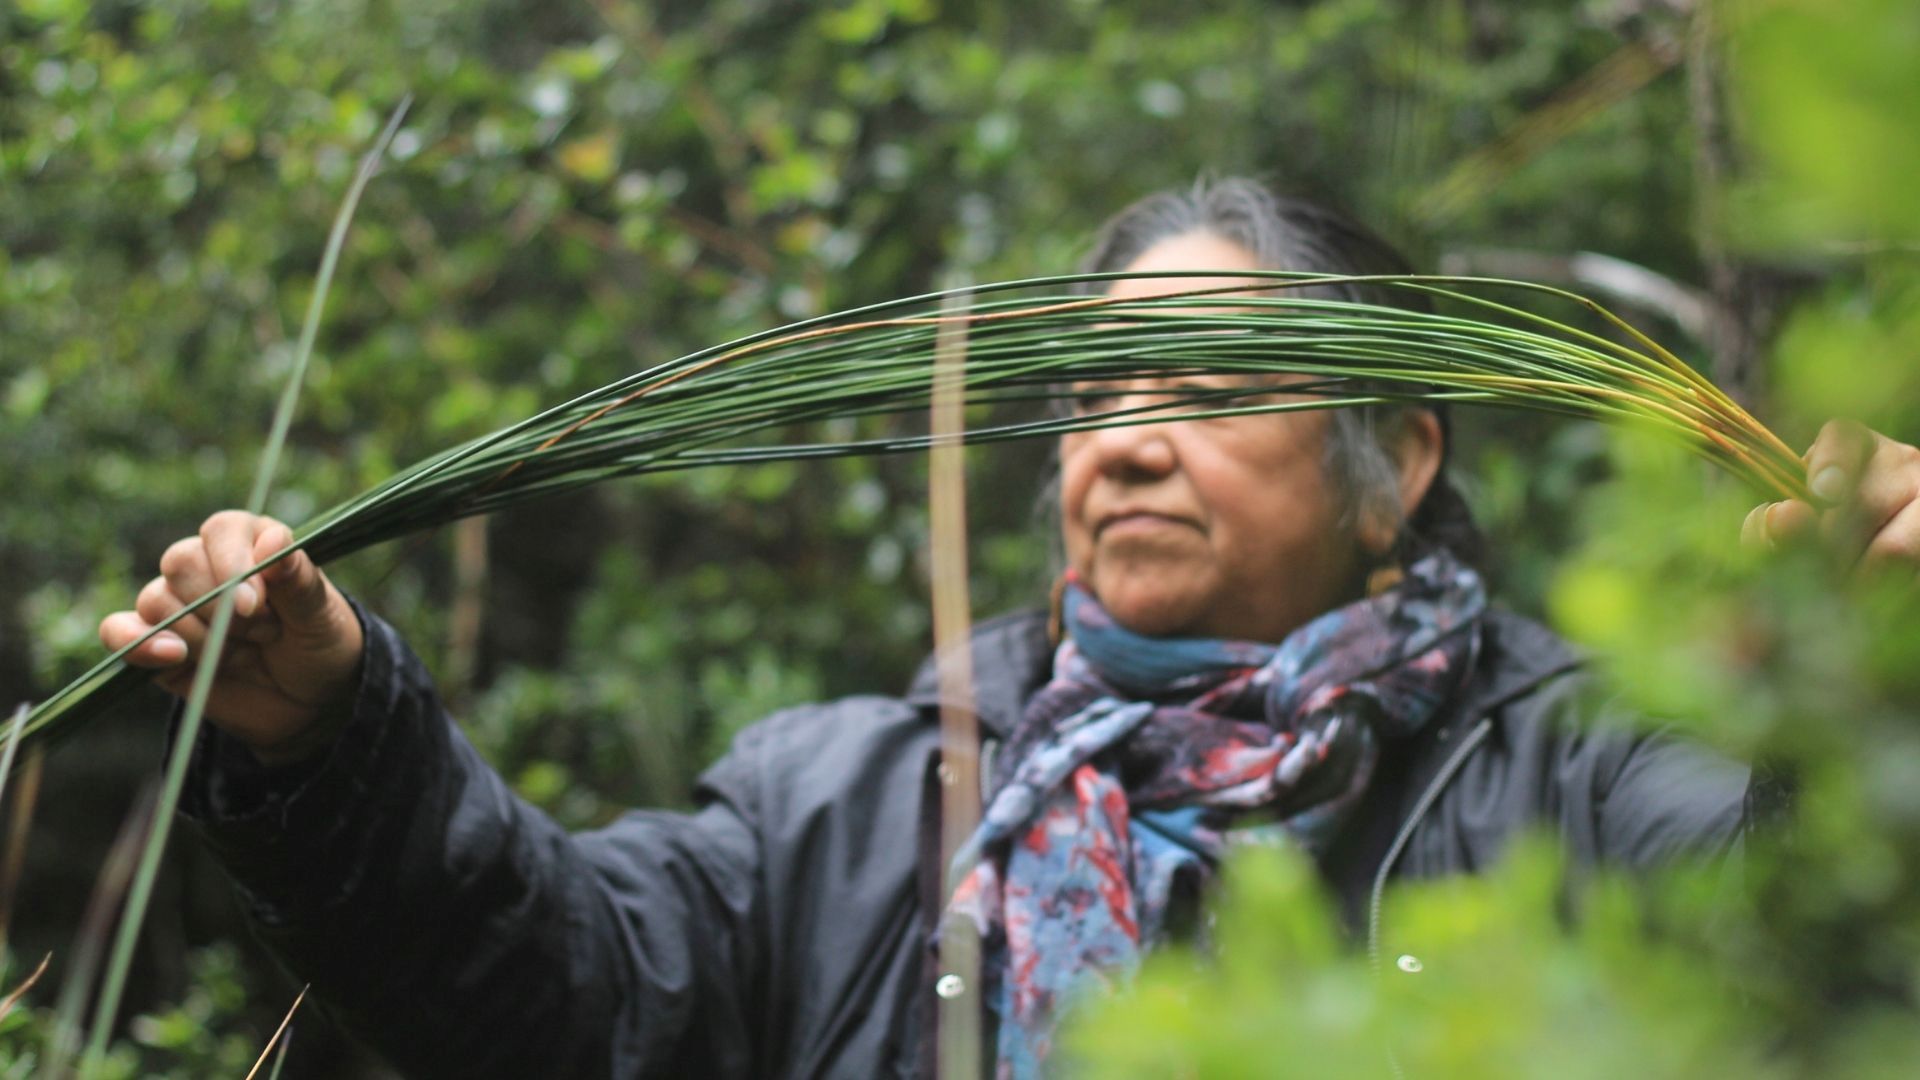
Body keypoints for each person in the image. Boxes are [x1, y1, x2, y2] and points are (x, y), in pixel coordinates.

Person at [100, 178, 1920, 1078]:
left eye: (1210, 386)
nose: (1126, 436)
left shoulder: (1576, 769)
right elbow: (549, 984)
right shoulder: (858, 807)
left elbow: (1789, 943)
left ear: (1398, 462)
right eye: (1097, 387)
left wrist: (1882, 712)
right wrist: (334, 736)